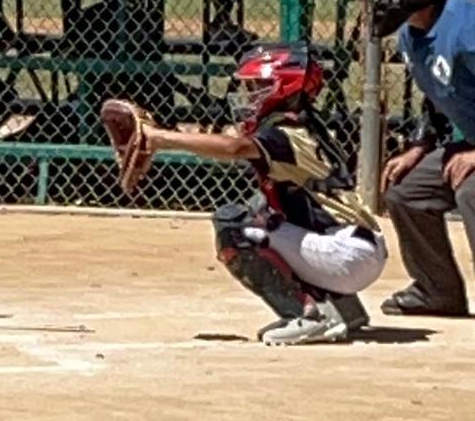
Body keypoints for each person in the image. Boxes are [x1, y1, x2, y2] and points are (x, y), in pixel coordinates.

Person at [123, 43, 383, 344]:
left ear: (285, 88)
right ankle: (345, 310)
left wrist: (160, 138)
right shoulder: (304, 124)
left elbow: (234, 148)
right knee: (263, 210)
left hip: (344, 254)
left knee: (235, 226)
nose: (250, 94)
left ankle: (310, 316)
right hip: (357, 249)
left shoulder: (282, 132)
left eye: (259, 85)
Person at [372, 0, 475, 317]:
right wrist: (419, 145)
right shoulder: (413, 34)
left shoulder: (466, 29)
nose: (383, 2)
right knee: (406, 190)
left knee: (472, 190)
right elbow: (436, 95)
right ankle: (438, 291)